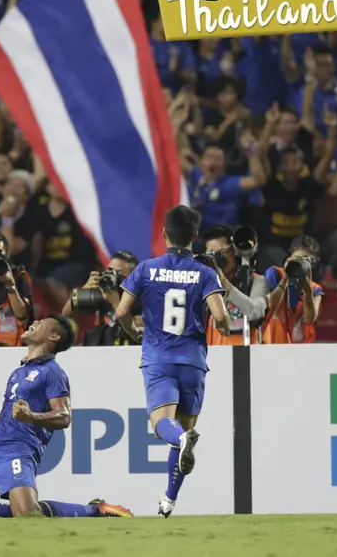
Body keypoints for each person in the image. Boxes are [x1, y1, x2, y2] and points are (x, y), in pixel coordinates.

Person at [0, 315, 133, 519]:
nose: (33, 323)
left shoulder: (52, 372)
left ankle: (95, 510)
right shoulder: (17, 373)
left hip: (18, 450)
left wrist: (31, 416)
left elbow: (64, 416)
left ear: (54, 336)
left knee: (28, 514)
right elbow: (3, 422)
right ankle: (10, 513)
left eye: (40, 323)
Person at [115, 204, 229, 518]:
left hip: (158, 358)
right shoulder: (205, 273)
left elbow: (122, 311)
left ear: (165, 233)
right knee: (182, 436)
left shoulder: (146, 268)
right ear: (195, 236)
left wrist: (134, 332)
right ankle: (169, 499)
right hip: (193, 361)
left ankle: (180, 438)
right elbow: (221, 317)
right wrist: (220, 326)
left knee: (163, 426)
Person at [201, 225, 268, 345]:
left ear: (234, 251)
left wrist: (226, 287)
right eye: (213, 255)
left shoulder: (256, 281)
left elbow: (256, 312)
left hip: (247, 358)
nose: (220, 259)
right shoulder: (204, 286)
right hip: (213, 356)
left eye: (223, 252)